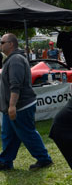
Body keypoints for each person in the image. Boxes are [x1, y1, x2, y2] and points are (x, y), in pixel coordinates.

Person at [0, 33, 53, 171]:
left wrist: (12, 106)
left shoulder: (16, 59)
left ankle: (44, 159)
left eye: (2, 42)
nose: (0, 45)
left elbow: (15, 85)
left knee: (27, 133)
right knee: (8, 135)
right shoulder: (11, 59)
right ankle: (5, 161)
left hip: (20, 106)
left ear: (11, 44)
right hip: (10, 107)